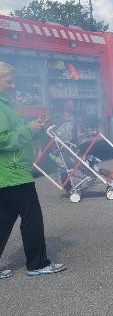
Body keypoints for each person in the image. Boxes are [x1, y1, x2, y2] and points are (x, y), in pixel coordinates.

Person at [0, 61, 66, 279]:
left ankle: (37, 262)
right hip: (13, 172)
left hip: (8, 173)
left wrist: (34, 128)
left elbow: (14, 133)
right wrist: (30, 129)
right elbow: (3, 140)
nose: (13, 84)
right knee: (32, 217)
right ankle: (38, 263)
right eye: (9, 80)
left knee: (5, 218)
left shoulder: (5, 104)